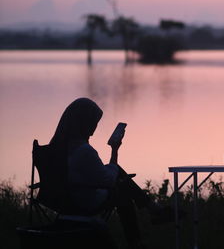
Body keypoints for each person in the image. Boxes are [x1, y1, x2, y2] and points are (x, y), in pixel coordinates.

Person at [49, 97, 170, 249]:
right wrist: (114, 149)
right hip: (82, 201)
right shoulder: (85, 151)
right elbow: (108, 181)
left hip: (63, 201)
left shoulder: (56, 148)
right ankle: (138, 239)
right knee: (122, 189)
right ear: (84, 123)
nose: (95, 127)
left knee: (117, 175)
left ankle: (150, 213)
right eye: (93, 122)